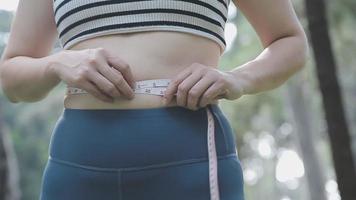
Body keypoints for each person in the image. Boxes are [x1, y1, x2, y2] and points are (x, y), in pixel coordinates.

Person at [0, 0, 308, 200]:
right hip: (76, 163)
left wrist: (239, 78)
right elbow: (12, 80)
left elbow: (289, 41)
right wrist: (56, 63)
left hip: (192, 158)